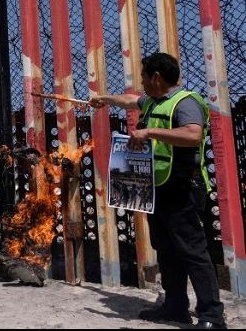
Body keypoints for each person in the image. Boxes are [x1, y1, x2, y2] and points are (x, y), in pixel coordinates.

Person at [90, 52, 225, 329]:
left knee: (193, 251)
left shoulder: (184, 103)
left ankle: (212, 315)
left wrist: (149, 133)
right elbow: (130, 100)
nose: (141, 84)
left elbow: (192, 135)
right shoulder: (153, 101)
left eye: (143, 78)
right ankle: (175, 308)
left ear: (157, 77)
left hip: (182, 188)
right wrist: (104, 100)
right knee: (165, 249)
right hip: (158, 187)